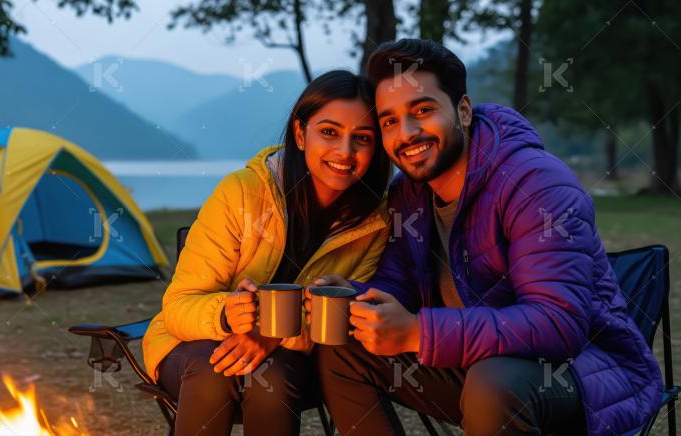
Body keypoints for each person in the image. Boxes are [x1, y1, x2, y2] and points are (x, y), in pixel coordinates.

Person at [308, 39, 663, 436]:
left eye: (422, 110)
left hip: (578, 374)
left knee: (492, 383)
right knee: (341, 347)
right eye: (389, 121)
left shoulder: (535, 183)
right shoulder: (408, 194)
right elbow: (398, 284)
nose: (406, 134)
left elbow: (559, 324)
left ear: (462, 110)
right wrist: (356, 299)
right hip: (473, 364)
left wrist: (418, 332)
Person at [142, 70, 392, 436]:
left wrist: (273, 333)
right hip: (192, 345)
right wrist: (228, 315)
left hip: (296, 358)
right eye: (329, 132)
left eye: (363, 139)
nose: (344, 151)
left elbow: (343, 322)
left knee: (270, 379)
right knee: (214, 373)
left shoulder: (374, 222)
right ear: (300, 134)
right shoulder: (241, 194)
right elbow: (178, 306)